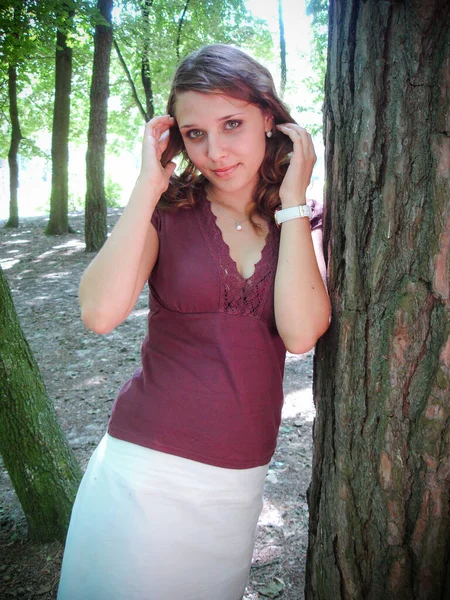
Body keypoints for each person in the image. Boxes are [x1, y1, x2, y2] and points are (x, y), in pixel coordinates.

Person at [57, 44, 331, 600]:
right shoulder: (167, 210)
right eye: (195, 133)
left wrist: (293, 200)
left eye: (232, 124)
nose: (216, 151)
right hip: (142, 471)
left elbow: (301, 334)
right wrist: (147, 186)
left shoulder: (303, 217)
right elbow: (100, 312)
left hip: (235, 484)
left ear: (268, 119)